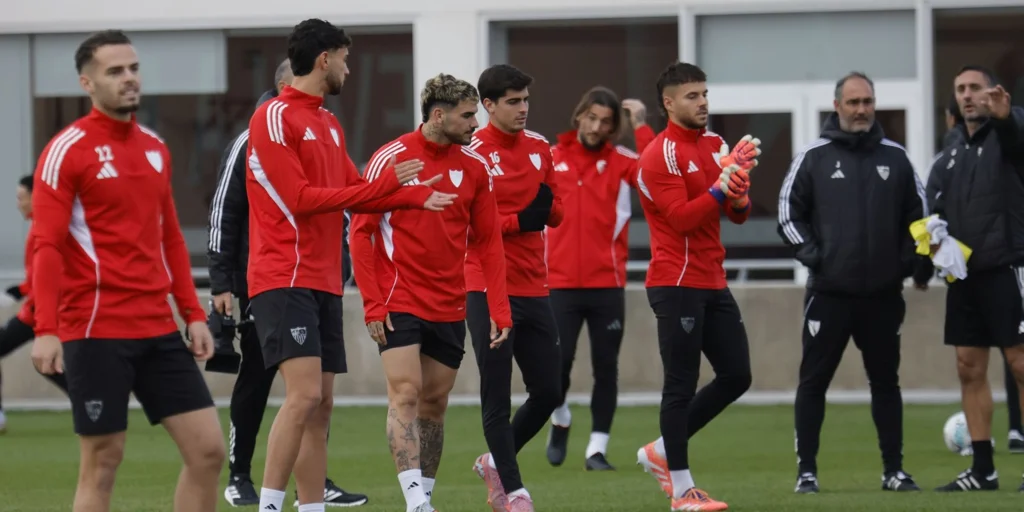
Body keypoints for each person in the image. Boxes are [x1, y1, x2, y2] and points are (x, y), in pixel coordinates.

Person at [246, 19, 452, 512]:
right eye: (344, 58)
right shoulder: (274, 117)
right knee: (301, 397)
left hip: (324, 281)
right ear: (324, 60)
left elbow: (359, 195)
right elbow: (300, 199)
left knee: (320, 406)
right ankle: (269, 506)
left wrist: (414, 197)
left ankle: (311, 507)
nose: (348, 69)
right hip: (283, 277)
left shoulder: (329, 123)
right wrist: (383, 190)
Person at [29, 30, 225, 511]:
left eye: (133, 68)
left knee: (207, 451)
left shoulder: (156, 147)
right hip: (94, 329)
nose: (129, 78)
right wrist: (45, 328)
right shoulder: (65, 150)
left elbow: (171, 237)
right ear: (87, 83)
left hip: (156, 326)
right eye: (115, 71)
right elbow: (46, 246)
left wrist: (192, 312)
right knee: (103, 461)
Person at [207, 58, 368, 507]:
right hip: (265, 276)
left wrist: (345, 260)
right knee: (263, 378)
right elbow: (225, 210)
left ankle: (310, 489)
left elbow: (339, 195)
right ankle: (241, 474)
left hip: (316, 277)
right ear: (286, 83)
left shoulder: (321, 127)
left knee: (315, 396)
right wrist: (221, 282)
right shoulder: (255, 134)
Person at [350, 73, 513, 512]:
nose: (475, 124)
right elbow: (360, 234)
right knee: (405, 392)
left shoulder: (474, 168)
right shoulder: (393, 158)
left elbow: (489, 243)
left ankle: (424, 496)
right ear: (438, 115)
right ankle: (416, 503)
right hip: (398, 300)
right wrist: (372, 302)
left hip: (449, 302)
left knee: (434, 403)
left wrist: (499, 307)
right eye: (466, 116)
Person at [777, 71, 927, 494]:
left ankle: (893, 471)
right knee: (813, 383)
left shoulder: (896, 158)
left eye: (867, 102)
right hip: (828, 296)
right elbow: (788, 213)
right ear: (837, 105)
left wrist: (909, 263)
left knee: (885, 383)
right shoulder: (814, 156)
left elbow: (920, 220)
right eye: (853, 102)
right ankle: (807, 472)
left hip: (882, 297)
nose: (861, 110)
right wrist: (815, 257)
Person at [633, 62, 756, 512]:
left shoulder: (716, 144)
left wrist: (738, 193)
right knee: (680, 385)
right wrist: (723, 190)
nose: (702, 102)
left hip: (711, 278)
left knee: (737, 375)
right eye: (692, 96)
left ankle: (662, 450)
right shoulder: (658, 155)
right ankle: (682, 491)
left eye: (704, 93)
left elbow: (736, 214)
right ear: (669, 103)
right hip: (676, 281)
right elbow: (682, 218)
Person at [464, 64, 564, 512]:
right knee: (497, 393)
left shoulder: (541, 147)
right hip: (485, 285)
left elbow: (556, 210)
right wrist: (518, 221)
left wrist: (545, 210)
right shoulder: (472, 152)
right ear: (488, 106)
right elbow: (465, 228)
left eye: (526, 100)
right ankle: (514, 491)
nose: (523, 108)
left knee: (548, 390)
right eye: (513, 101)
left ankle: (495, 463)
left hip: (532, 284)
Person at [543, 88, 654, 471]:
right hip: (557, 283)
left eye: (606, 121)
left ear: (614, 128)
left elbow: (656, 173)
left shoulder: (623, 162)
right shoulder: (551, 158)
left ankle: (596, 449)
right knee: (556, 367)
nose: (596, 126)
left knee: (606, 366)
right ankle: (560, 418)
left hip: (606, 284)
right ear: (579, 116)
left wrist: (641, 125)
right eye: (591, 117)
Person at [928, 66, 1024, 492]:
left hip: (1009, 266)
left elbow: (1015, 140)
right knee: (969, 368)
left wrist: (1006, 118)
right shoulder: (949, 155)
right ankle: (983, 470)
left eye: (975, 88)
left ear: (993, 93)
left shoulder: (1009, 135)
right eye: (961, 89)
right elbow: (933, 213)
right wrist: (932, 240)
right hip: (965, 277)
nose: (968, 96)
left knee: (1021, 364)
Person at [0, 174, 70, 432]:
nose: (18, 203)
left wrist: (28, 303)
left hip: (41, 314)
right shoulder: (39, 226)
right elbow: (37, 276)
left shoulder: (44, 227)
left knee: (49, 362)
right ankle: (88, 401)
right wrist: (19, 290)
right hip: (41, 310)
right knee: (48, 364)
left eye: (21, 198)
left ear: (35, 197)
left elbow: (50, 275)